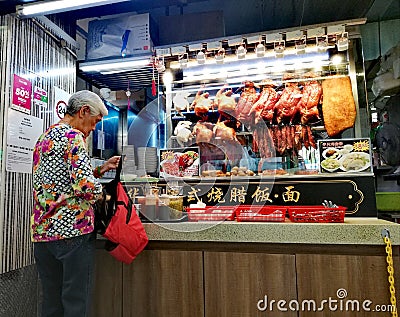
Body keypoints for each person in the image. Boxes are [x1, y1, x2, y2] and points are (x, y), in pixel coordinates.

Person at [31, 90, 120, 317]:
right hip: (72, 234)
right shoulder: (73, 137)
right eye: (95, 122)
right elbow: (85, 187)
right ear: (83, 111)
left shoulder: (44, 139)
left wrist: (100, 169)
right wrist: (106, 196)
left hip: (42, 235)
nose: (93, 129)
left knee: (51, 302)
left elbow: (60, 180)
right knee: (75, 303)